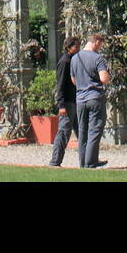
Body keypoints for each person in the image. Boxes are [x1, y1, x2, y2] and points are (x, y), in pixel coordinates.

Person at [70, 32, 110, 169]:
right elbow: (104, 78)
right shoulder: (97, 58)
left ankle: (83, 162)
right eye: (100, 44)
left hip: (80, 100)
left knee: (82, 131)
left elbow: (73, 80)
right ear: (96, 42)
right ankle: (91, 162)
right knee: (94, 130)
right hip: (95, 97)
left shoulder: (75, 58)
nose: (100, 47)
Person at [48, 36, 81, 167]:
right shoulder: (65, 62)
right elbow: (60, 85)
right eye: (76, 46)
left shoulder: (72, 60)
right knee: (63, 132)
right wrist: (61, 105)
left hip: (75, 101)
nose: (78, 49)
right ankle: (55, 161)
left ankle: (87, 160)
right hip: (67, 102)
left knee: (82, 131)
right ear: (69, 47)